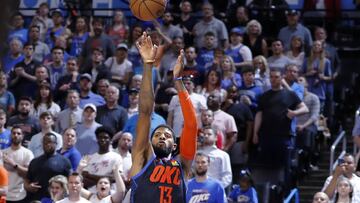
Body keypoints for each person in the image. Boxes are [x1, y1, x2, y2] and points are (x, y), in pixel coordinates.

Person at [129, 32, 197, 202]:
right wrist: (148, 65)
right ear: (149, 142)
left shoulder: (183, 166)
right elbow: (145, 112)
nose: (162, 136)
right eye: (157, 135)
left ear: (174, 145)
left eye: (167, 135)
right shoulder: (142, 158)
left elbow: (191, 125)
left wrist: (178, 81)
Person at [25, 133, 71, 201]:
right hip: (36, 199)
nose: (47, 144)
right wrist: (28, 187)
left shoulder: (64, 161)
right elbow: (27, 180)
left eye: (50, 142)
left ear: (56, 143)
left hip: (56, 200)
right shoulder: (34, 161)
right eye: (45, 142)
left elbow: (69, 181)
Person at [2, 126, 34, 203]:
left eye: (18, 133)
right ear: (10, 135)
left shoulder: (28, 153)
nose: (16, 135)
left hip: (20, 195)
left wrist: (13, 164)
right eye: (14, 133)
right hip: (4, 195)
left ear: (22, 136)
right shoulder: (2, 153)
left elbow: (28, 174)